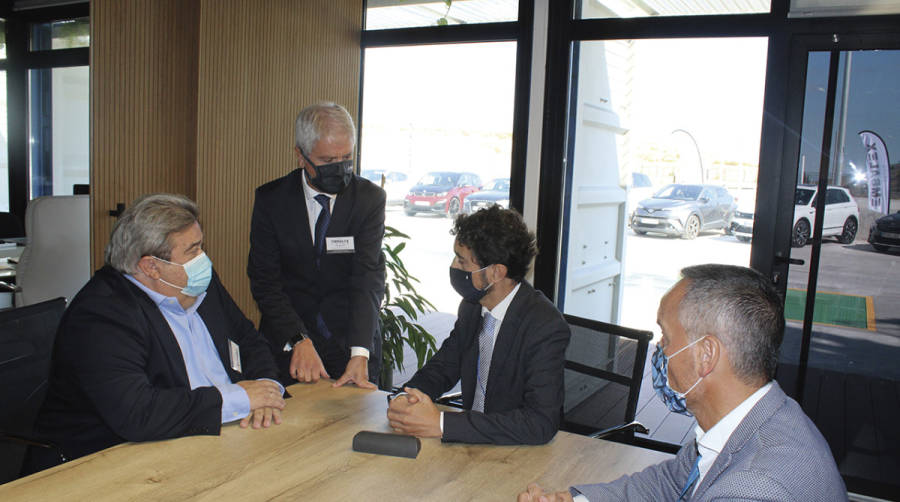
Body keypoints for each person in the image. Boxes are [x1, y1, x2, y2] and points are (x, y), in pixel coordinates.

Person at [518, 264, 846, 502]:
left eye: (666, 336)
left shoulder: (755, 488)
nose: (659, 350)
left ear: (706, 355)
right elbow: (670, 483)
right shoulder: (753, 421)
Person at [26, 194, 285, 473]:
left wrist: (265, 388)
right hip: (110, 465)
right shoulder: (101, 315)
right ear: (150, 266)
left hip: (223, 437)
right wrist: (240, 398)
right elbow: (139, 412)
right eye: (193, 250)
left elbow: (248, 338)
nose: (203, 259)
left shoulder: (198, 284)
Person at [387, 205, 570, 445]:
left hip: (516, 453)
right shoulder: (472, 307)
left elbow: (540, 423)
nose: (454, 266)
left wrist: (441, 424)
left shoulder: (544, 325)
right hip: (468, 446)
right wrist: (408, 397)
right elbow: (443, 367)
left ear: (495, 272)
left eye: (462, 262)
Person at [248, 102, 385, 389]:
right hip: (291, 345)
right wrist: (298, 338)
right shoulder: (272, 200)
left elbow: (367, 278)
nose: (340, 168)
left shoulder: (368, 199)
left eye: (347, 157)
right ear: (300, 155)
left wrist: (360, 352)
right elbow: (265, 281)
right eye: (327, 161)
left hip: (351, 344)